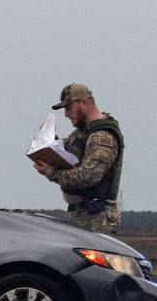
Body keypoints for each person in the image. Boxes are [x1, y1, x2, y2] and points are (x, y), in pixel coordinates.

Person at [34, 83, 123, 235]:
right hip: (84, 215)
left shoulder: (101, 135)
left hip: (96, 217)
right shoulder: (83, 133)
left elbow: (88, 175)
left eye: (69, 108)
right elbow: (67, 152)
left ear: (84, 103)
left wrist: (51, 173)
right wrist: (49, 140)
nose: (66, 114)